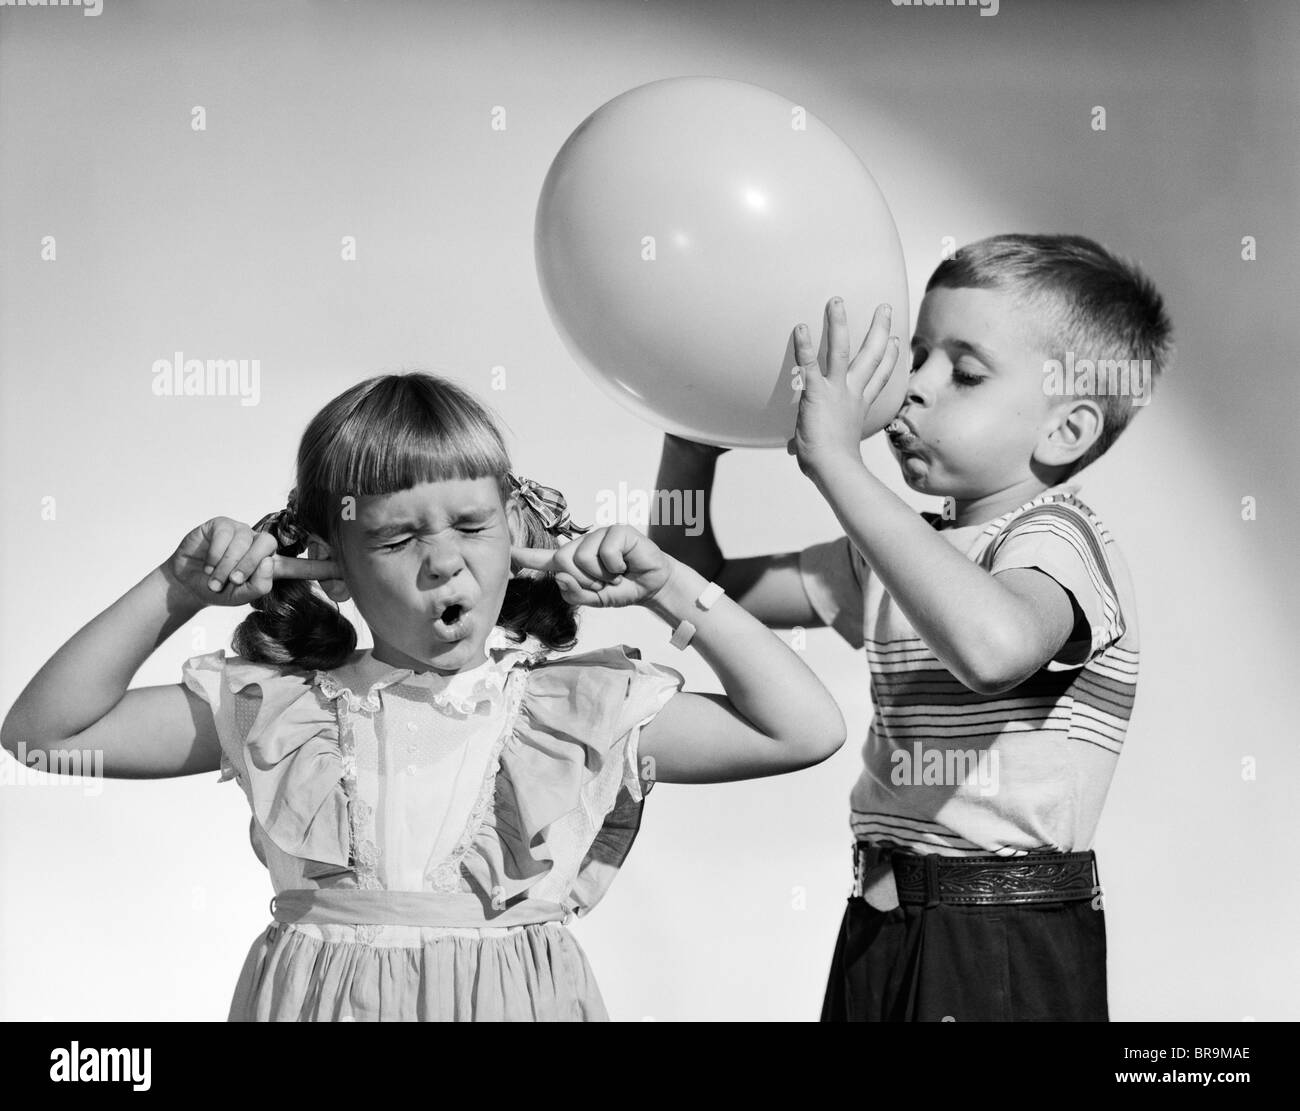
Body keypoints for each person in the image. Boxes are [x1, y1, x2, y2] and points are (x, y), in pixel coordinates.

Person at [1, 371, 846, 1022]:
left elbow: (802, 730)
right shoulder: (281, 709)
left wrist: (676, 587)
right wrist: (176, 588)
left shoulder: (569, 711)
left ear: (518, 532)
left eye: (472, 526)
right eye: (399, 536)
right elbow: (42, 734)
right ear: (329, 556)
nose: (444, 562)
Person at [650, 233, 1171, 1021]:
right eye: (916, 356)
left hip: (999, 937)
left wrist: (839, 467)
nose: (913, 389)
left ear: (1065, 430)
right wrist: (690, 439)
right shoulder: (902, 550)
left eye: (964, 373)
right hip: (882, 924)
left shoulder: (1057, 538)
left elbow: (993, 649)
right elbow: (708, 585)